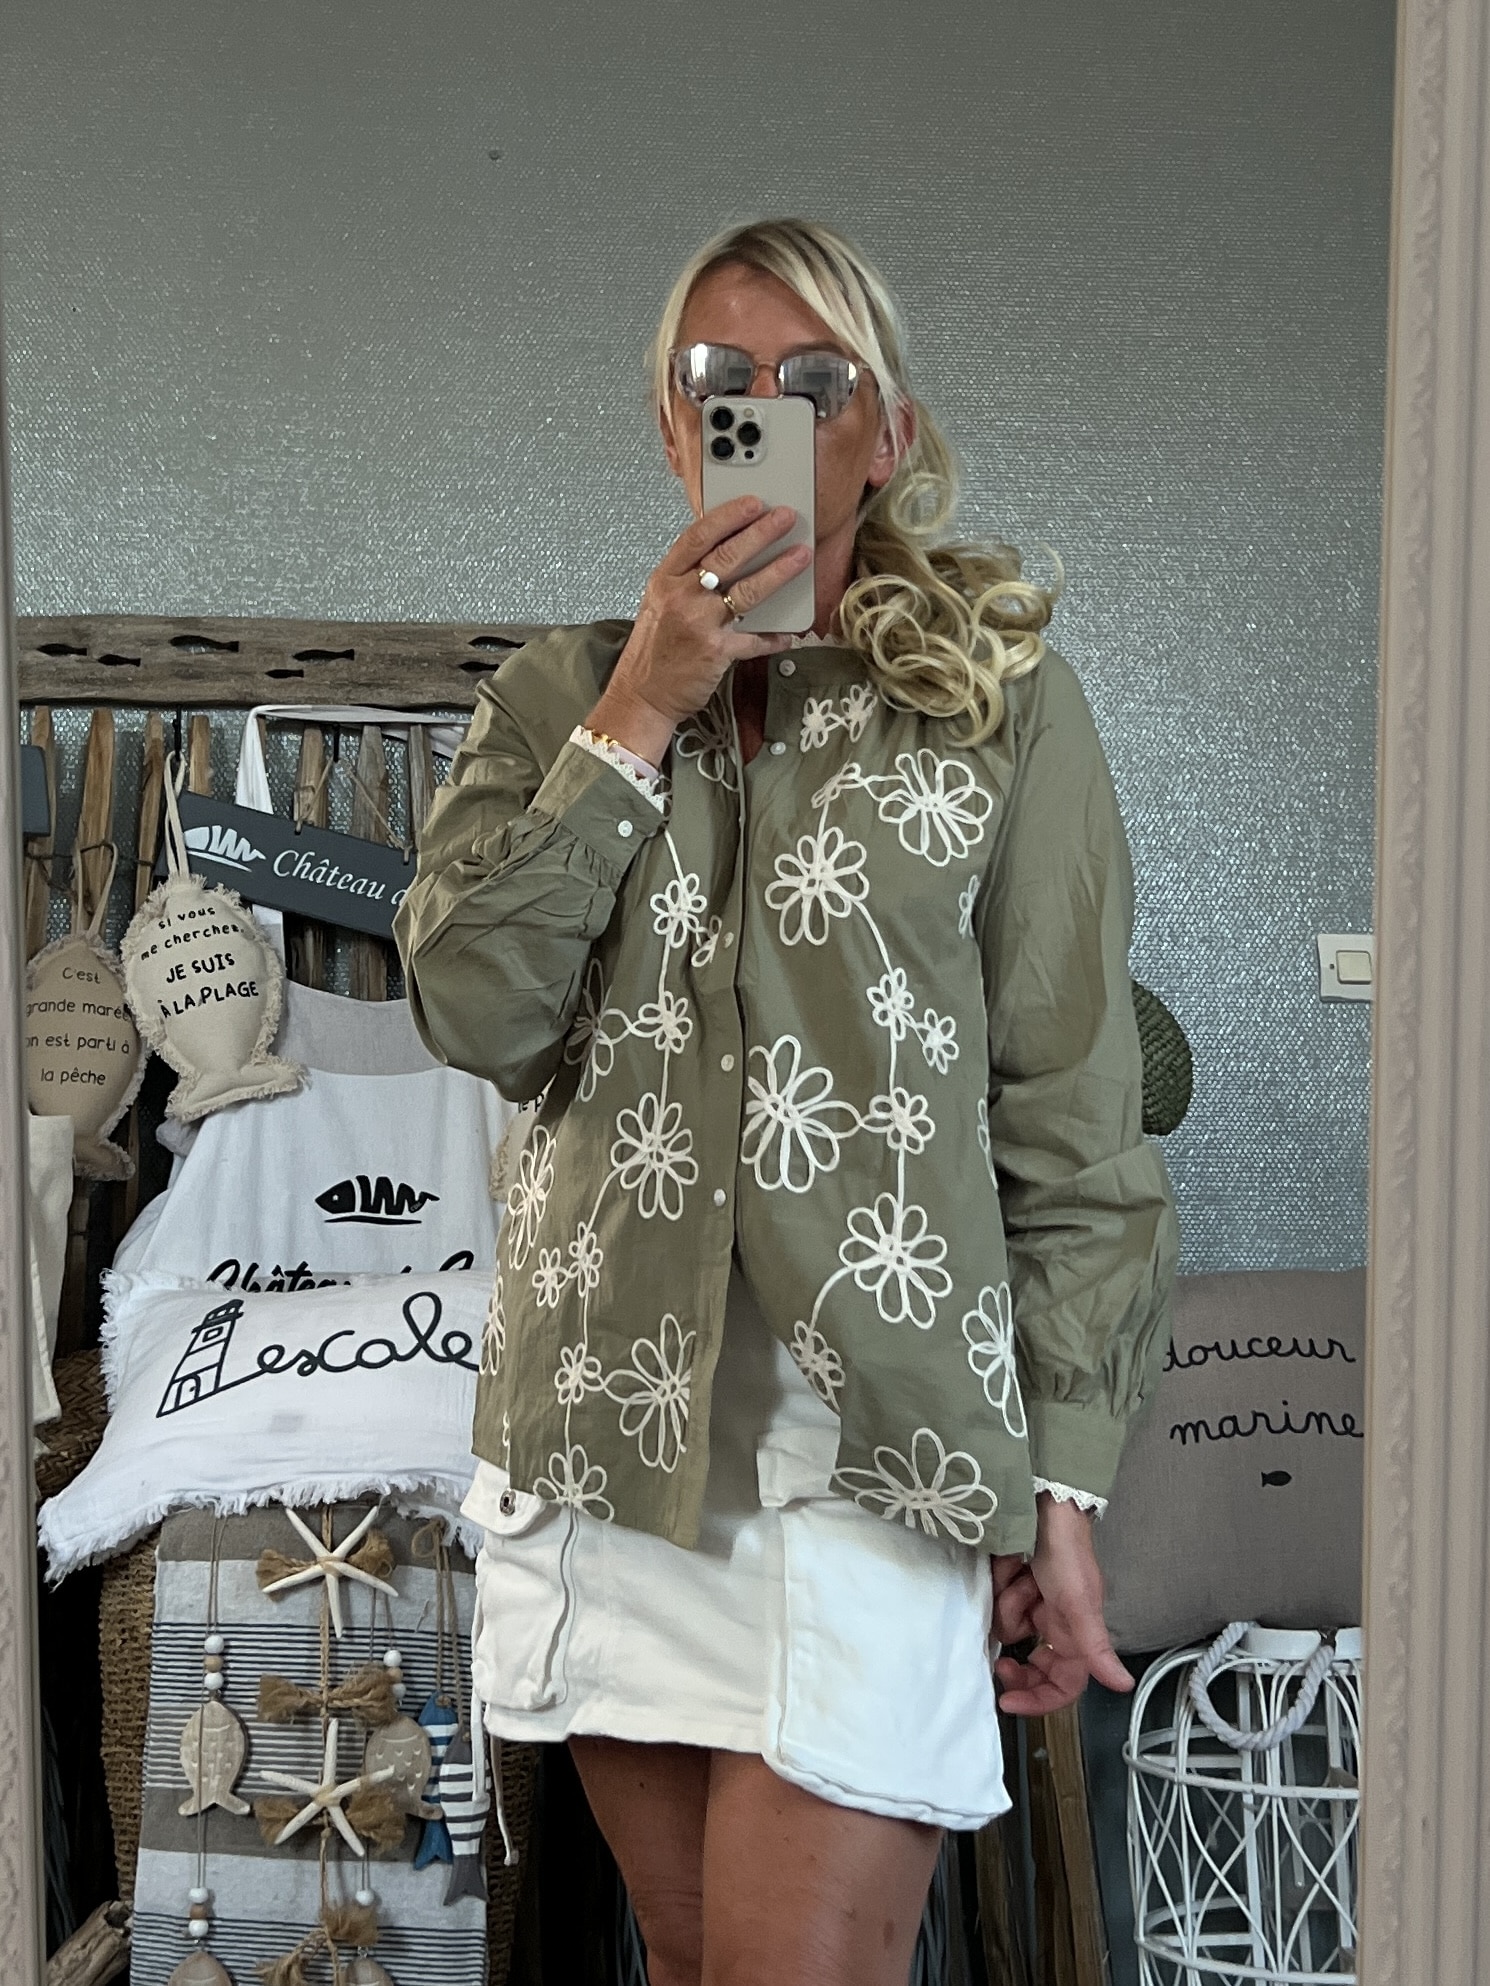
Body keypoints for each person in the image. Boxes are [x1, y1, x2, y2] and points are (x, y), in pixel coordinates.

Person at [394, 217, 1177, 1986]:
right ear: (671, 428)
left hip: (875, 1455)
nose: (768, 407)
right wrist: (639, 710)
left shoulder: (1000, 711)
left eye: (817, 380)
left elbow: (1069, 1113)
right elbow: (473, 1004)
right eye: (720, 378)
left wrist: (1063, 1488)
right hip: (611, 1442)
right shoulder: (556, 696)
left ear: (883, 434)